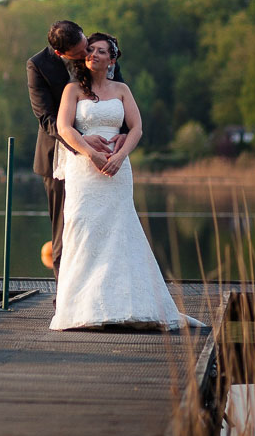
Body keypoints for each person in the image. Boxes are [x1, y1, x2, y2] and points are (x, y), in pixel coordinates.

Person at [48, 33, 203, 331]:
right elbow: (64, 128)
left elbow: (137, 128)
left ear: (112, 59)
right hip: (84, 168)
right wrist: (92, 154)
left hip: (117, 169)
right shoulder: (72, 90)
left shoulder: (122, 90)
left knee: (120, 230)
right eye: (90, 50)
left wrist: (120, 158)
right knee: (82, 228)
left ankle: (126, 305)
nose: (93, 54)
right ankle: (81, 309)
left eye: (100, 50)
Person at [26, 21, 123, 280]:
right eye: (80, 52)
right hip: (59, 154)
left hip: (106, 152)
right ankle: (64, 297)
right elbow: (46, 119)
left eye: (86, 45)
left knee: (106, 223)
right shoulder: (38, 66)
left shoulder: (100, 51)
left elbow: (120, 100)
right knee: (63, 228)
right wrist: (81, 141)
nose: (87, 54)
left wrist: (122, 134)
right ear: (61, 54)